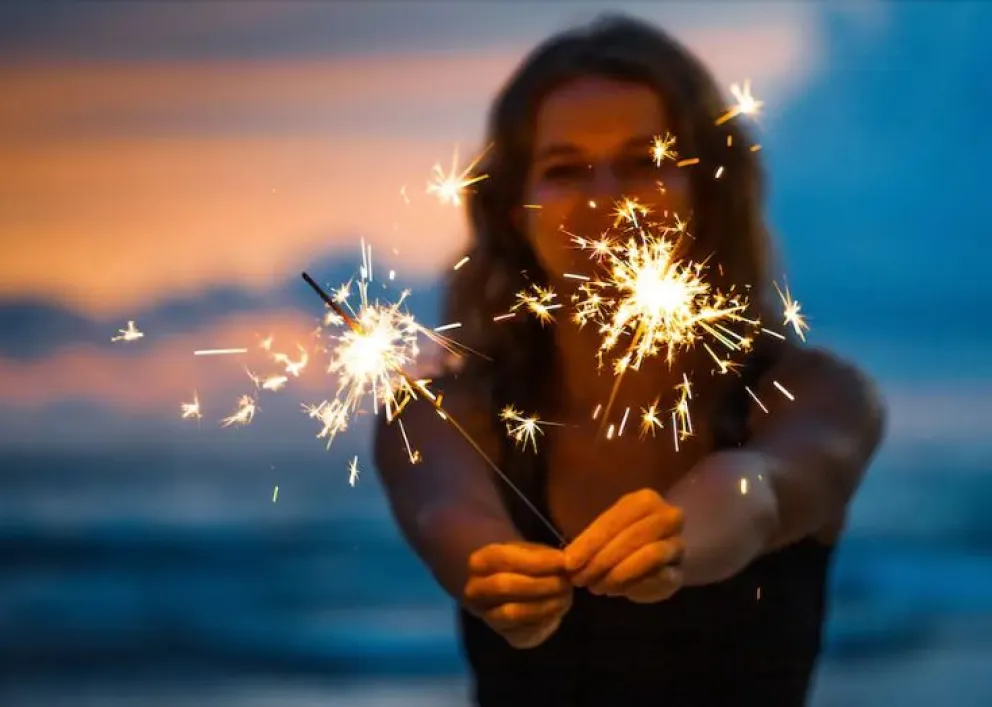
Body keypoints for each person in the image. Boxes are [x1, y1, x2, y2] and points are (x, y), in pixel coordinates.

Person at [374, 14, 885, 707]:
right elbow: (444, 510)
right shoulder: (441, 410)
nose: (606, 198)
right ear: (511, 211)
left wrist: (682, 539)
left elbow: (764, 486)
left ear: (708, 192)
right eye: (564, 169)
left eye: (646, 161)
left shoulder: (818, 392)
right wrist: (488, 568)